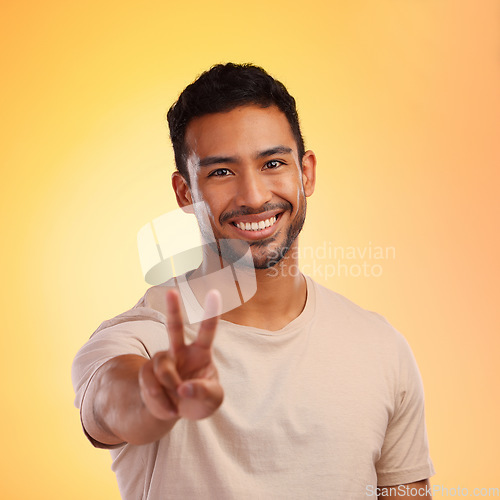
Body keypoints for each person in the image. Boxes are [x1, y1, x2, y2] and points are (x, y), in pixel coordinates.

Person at [72, 63, 435, 499]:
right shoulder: (141, 338)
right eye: (221, 172)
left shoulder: (382, 348)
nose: (254, 196)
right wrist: (155, 393)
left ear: (307, 174)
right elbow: (112, 401)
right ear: (186, 193)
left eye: (273, 163)